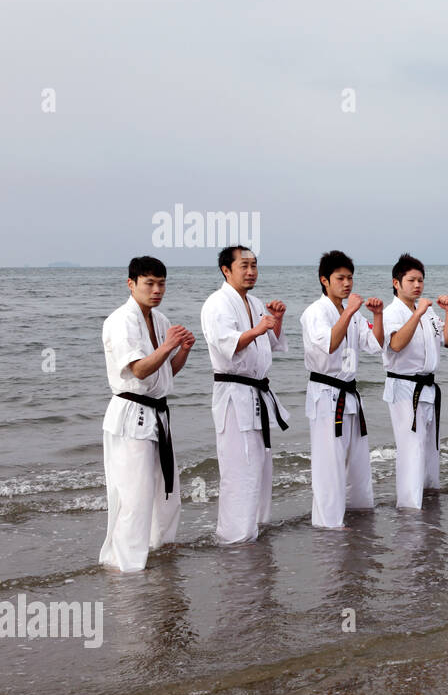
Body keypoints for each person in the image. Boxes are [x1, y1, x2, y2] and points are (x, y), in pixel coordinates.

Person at [100, 256, 195, 572]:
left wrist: (182, 351)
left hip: (157, 415)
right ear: (132, 284)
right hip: (131, 414)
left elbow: (164, 375)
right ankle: (125, 567)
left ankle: (161, 553)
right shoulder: (120, 321)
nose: (157, 290)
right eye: (149, 283)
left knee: (168, 494)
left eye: (162, 283)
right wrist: (168, 347)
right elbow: (139, 370)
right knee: (134, 499)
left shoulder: (161, 320)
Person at [200, 245, 290, 544]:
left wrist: (274, 321)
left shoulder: (255, 302)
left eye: (254, 265)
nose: (251, 271)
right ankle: (234, 537)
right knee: (240, 468)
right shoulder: (217, 304)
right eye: (244, 266)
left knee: (260, 468)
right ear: (226, 270)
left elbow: (271, 345)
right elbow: (228, 344)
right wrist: (258, 328)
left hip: (256, 392)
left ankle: (256, 529)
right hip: (234, 393)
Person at [301, 251, 384, 527]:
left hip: (349, 396)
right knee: (329, 466)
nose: (347, 283)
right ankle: (328, 526)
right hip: (326, 396)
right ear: (325, 280)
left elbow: (375, 344)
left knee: (358, 463)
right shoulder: (315, 312)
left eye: (350, 278)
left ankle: (358, 519)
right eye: (340, 278)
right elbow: (331, 344)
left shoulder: (353, 315)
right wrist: (350, 311)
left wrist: (378, 315)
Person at [383, 253, 448, 509]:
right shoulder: (393, 312)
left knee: (428, 448)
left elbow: (447, 341)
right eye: (411, 280)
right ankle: (409, 506)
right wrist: (418, 313)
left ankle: (428, 498)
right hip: (404, 387)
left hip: (427, 387)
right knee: (411, 448)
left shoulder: (426, 311)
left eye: (420, 280)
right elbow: (396, 344)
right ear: (396, 283)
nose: (417, 285)